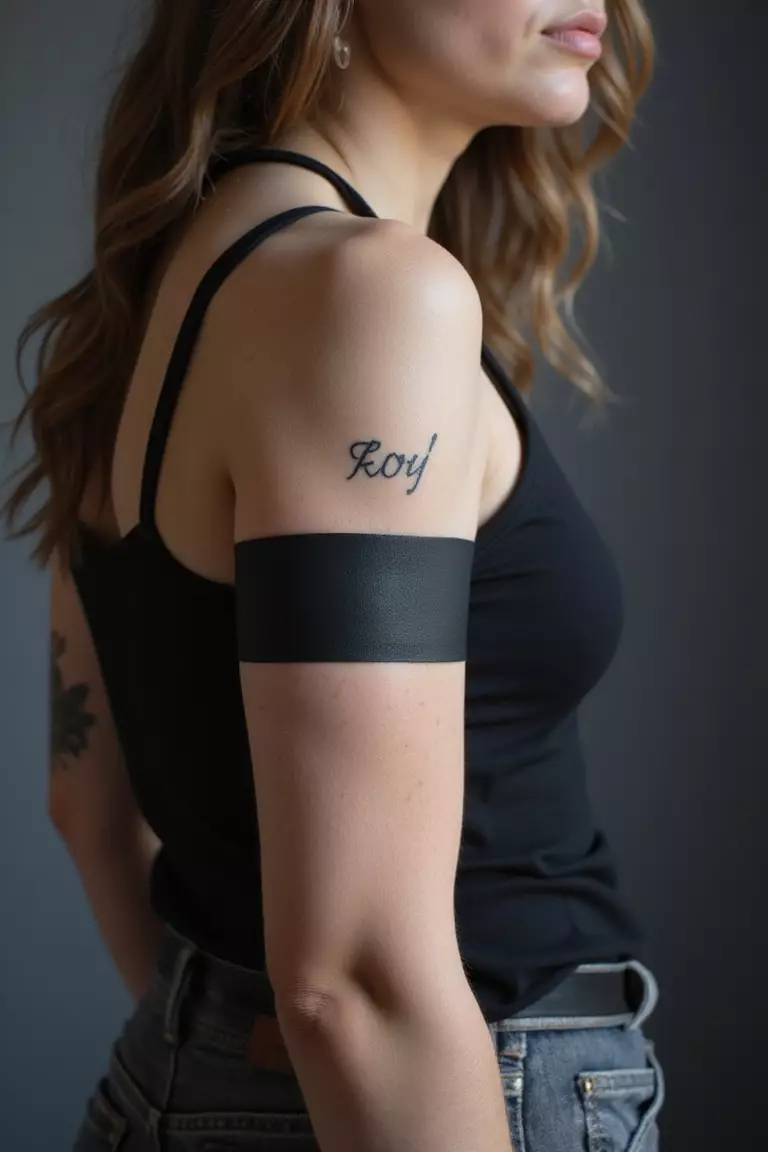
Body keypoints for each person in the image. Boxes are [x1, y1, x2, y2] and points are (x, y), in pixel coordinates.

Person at [1, 1, 664, 1149]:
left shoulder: (151, 293)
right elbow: (353, 986)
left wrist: (219, 1064)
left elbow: (89, 806)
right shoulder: (367, 295)